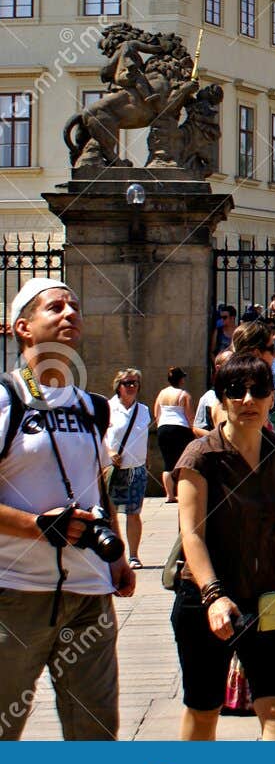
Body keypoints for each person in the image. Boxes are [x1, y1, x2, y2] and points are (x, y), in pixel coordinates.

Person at [0, 278, 131, 740]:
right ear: (23, 328)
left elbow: (97, 486)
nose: (70, 313)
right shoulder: (6, 399)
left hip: (88, 595)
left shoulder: (92, 406)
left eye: (75, 306)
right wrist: (37, 526)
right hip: (15, 594)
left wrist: (116, 554)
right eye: (55, 307)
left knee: (95, 735)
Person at [171, 353, 275, 740]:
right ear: (221, 397)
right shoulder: (201, 456)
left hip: (266, 595)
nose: (248, 399)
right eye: (236, 391)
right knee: (203, 710)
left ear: (271, 396)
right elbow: (192, 533)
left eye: (258, 390)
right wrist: (213, 595)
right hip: (203, 599)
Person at [103, 368, 150, 568]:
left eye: (134, 383)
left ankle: (133, 555)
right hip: (113, 469)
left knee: (134, 512)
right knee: (109, 513)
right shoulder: (107, 407)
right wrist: (109, 452)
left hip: (136, 468)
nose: (131, 387)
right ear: (118, 386)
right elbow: (100, 435)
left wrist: (146, 459)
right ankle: (112, 554)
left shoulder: (144, 410)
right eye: (127, 383)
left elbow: (144, 437)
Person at [153, 366, 194, 504]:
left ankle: (169, 495)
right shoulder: (184, 395)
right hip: (180, 429)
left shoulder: (161, 393)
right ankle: (181, 492)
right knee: (182, 462)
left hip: (163, 428)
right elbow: (190, 417)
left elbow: (156, 413)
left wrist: (161, 425)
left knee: (168, 463)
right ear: (180, 379)